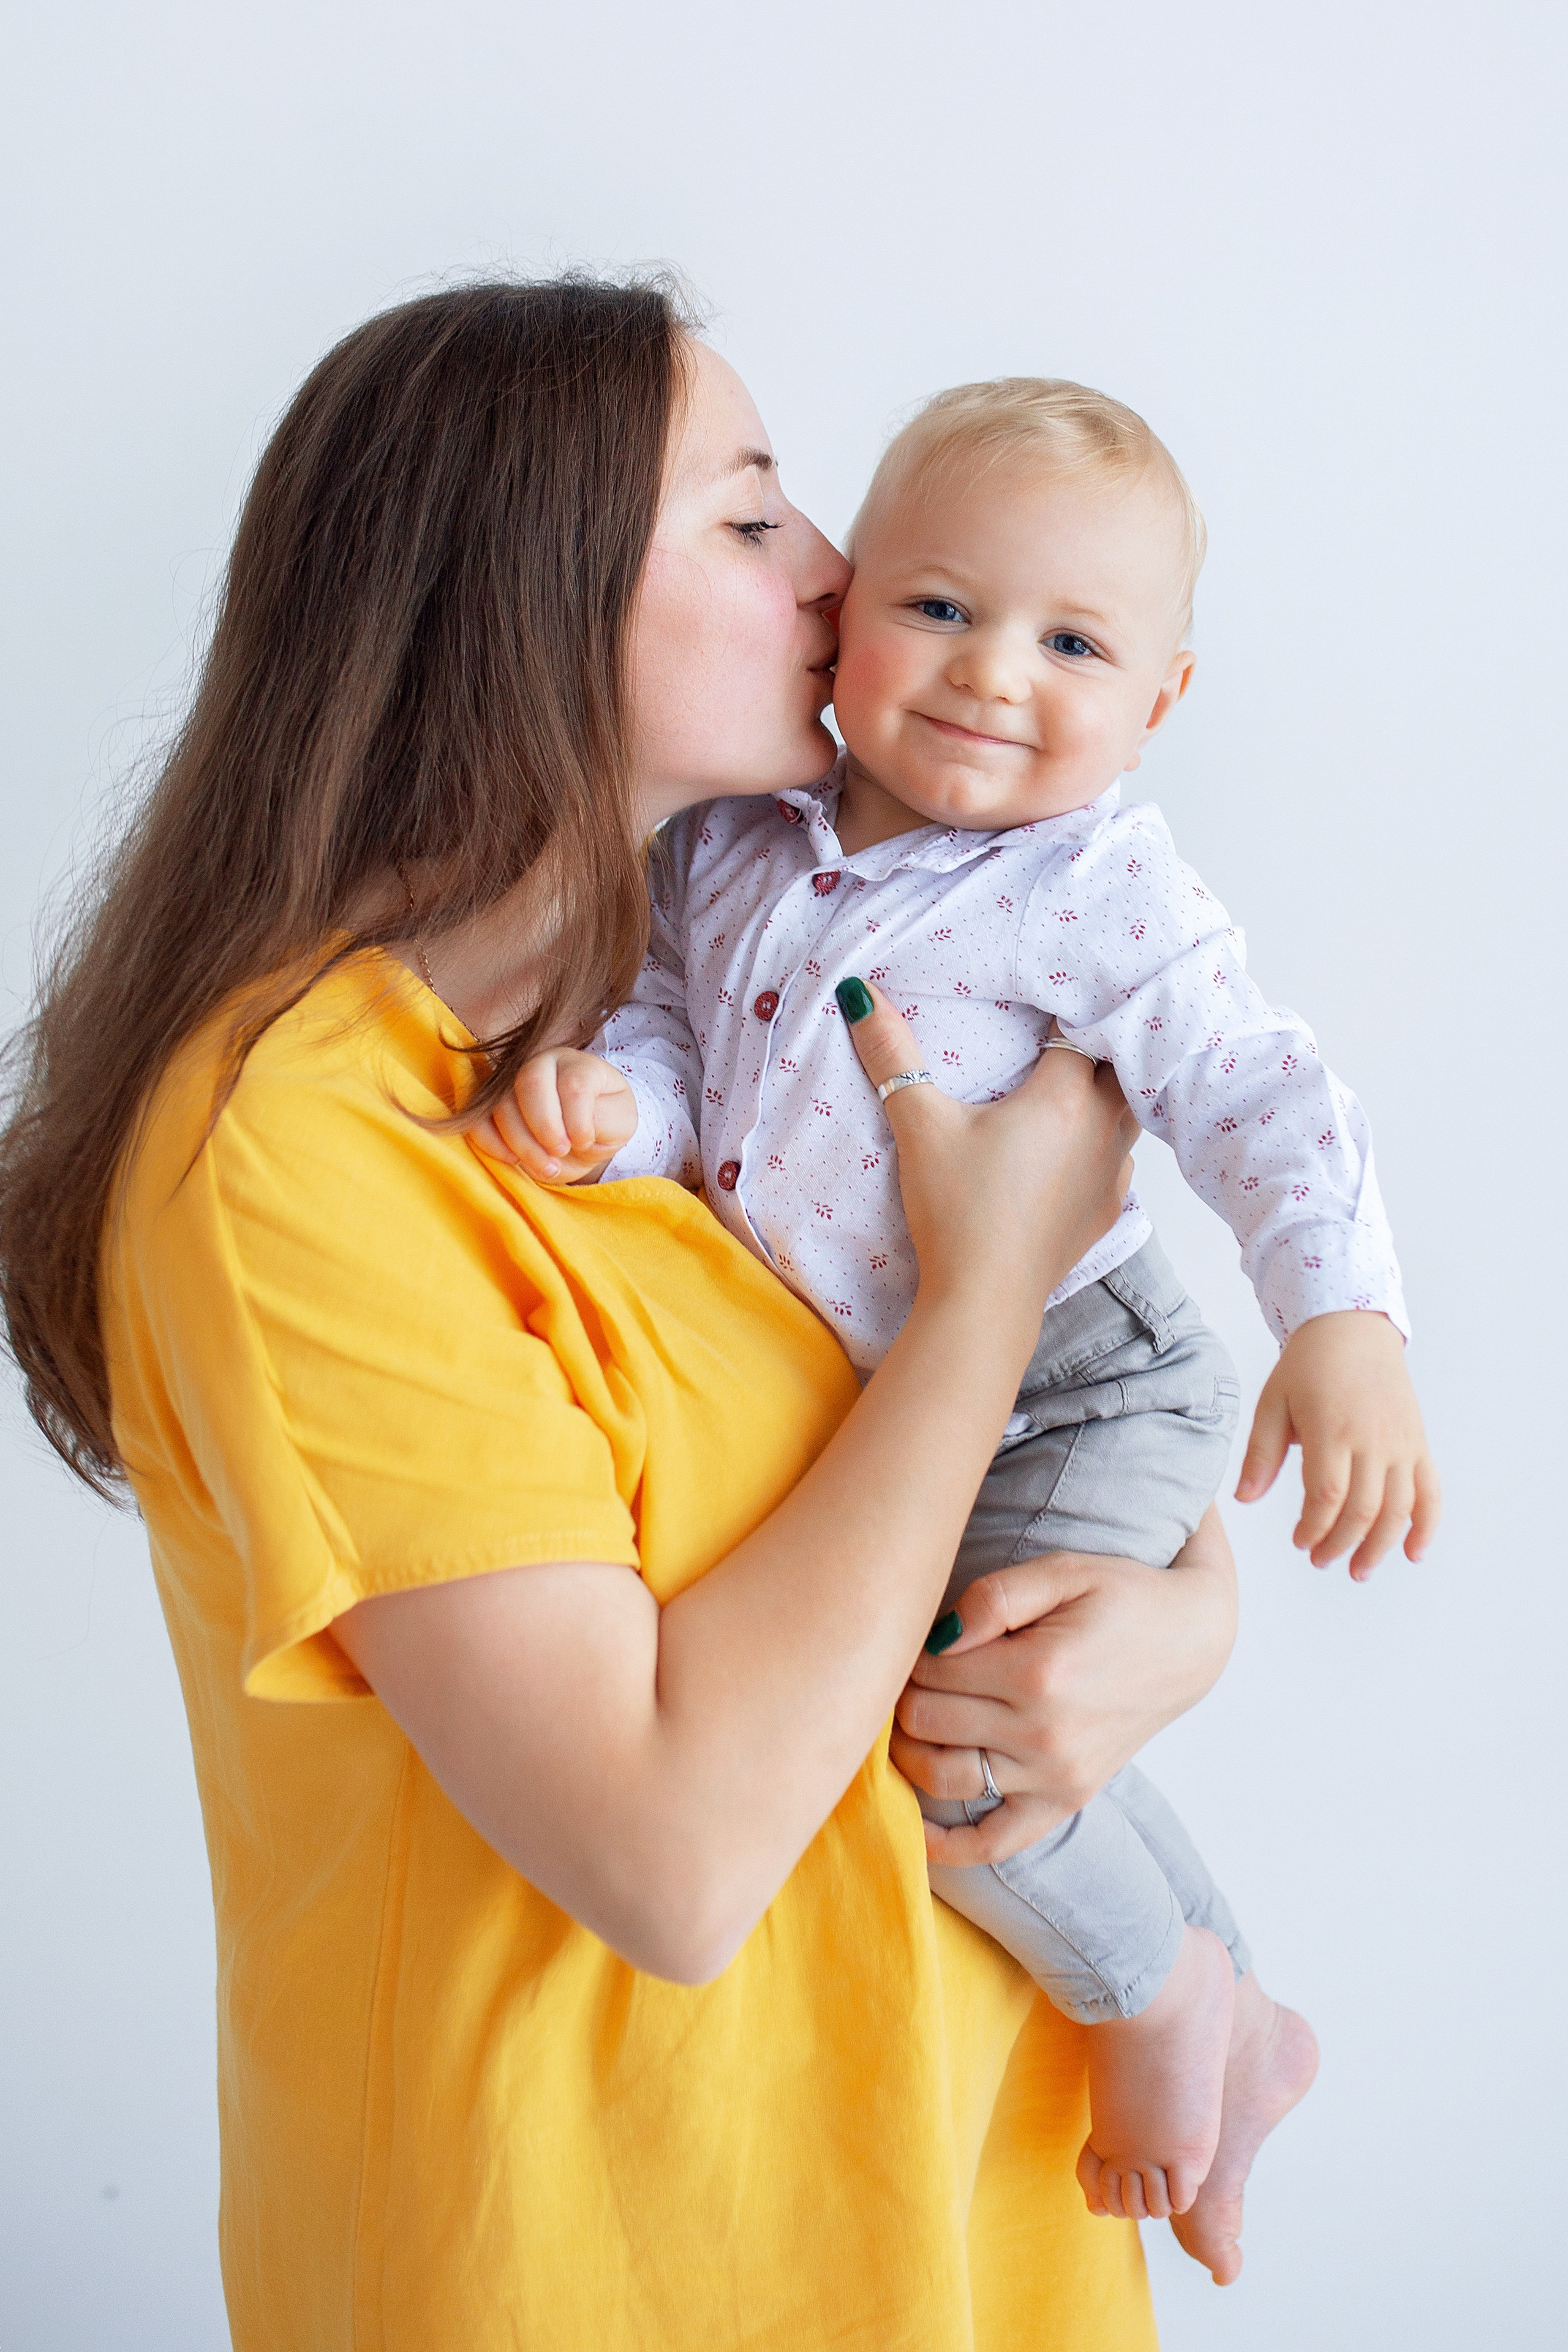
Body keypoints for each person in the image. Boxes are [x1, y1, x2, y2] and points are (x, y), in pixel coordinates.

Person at [0, 279, 1242, 2350]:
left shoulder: (640, 1070)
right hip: (616, 2275)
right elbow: (670, 1855)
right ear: (520, 598)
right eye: (750, 518)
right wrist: (982, 1293)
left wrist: (1182, 1616)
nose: (839, 568)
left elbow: (905, 1492)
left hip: (955, 2227)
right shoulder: (296, 1146)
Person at [489, 375, 1439, 2277]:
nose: (995, 672)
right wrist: (621, 1109)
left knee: (952, 1758)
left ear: (1160, 700)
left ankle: (1172, 2003)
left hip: (1085, 1379)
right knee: (977, 1728)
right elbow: (685, 1031)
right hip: (929, 1394)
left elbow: (1258, 1092)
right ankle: (1236, 2008)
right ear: (847, 615)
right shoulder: (732, 844)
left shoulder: (1099, 888)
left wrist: (1344, 1318)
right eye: (940, 606)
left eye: (1073, 644)